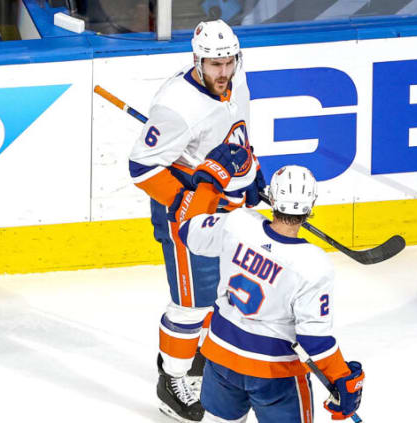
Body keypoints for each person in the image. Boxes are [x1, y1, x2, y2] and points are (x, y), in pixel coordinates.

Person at [128, 19, 265, 422]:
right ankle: (171, 379)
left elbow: (237, 135)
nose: (222, 73)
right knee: (191, 303)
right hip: (186, 217)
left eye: (228, 62)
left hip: (228, 206)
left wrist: (251, 172)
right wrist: (187, 201)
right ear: (197, 60)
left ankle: (200, 359)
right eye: (213, 64)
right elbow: (141, 167)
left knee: (223, 293)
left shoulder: (237, 82)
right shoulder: (176, 105)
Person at [172, 164, 365, 422]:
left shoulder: (238, 222)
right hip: (274, 372)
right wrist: (342, 377)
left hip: (221, 358)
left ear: (272, 198)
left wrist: (209, 185)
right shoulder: (314, 264)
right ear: (311, 205)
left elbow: (187, 230)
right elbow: (314, 341)